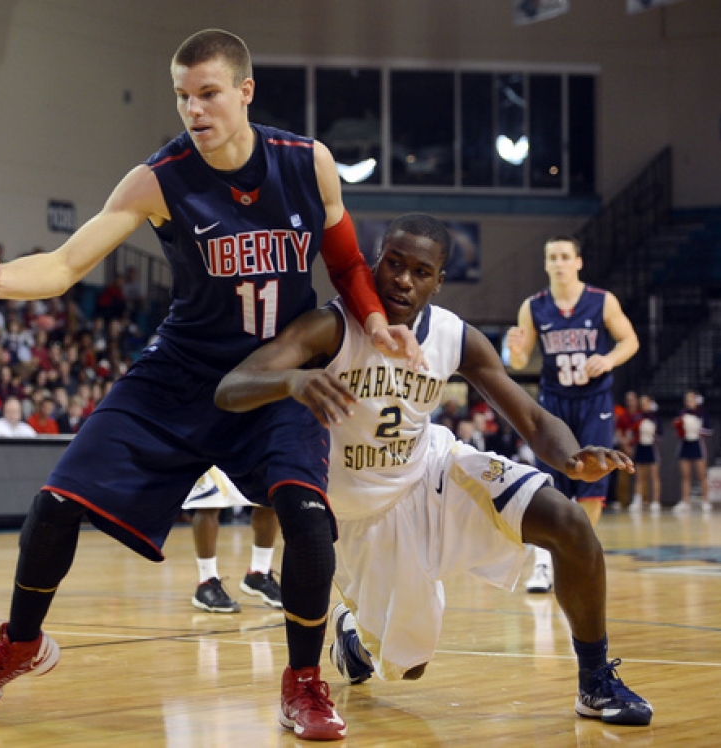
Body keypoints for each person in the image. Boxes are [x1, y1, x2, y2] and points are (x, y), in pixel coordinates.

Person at [0, 28, 418, 742]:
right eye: (182, 97)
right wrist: (3, 281)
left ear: (245, 92)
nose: (194, 110)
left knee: (308, 518)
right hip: (181, 373)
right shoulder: (158, 178)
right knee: (54, 504)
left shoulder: (306, 162)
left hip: (276, 376)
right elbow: (70, 263)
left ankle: (304, 682)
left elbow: (347, 264)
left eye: (208, 94)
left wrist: (374, 322)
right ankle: (20, 644)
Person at [214, 212, 652, 727]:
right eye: (394, 264)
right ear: (374, 265)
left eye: (421, 271)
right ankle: (351, 633)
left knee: (568, 523)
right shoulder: (331, 326)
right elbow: (230, 387)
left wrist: (571, 458)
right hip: (363, 513)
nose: (403, 278)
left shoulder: (454, 336)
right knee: (411, 666)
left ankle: (596, 681)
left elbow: (530, 415)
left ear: (439, 281)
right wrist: (290, 381)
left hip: (435, 469)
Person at [506, 234, 639, 593]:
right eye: (553, 257)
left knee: (594, 481)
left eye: (566, 256)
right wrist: (513, 352)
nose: (560, 263)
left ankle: (578, 549)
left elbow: (630, 340)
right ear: (546, 263)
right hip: (554, 403)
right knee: (550, 482)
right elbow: (518, 361)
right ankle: (544, 562)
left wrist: (608, 359)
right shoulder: (533, 306)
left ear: (578, 262)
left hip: (594, 400)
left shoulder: (601, 301)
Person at [184, 466, 282, 613]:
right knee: (208, 502)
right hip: (211, 446)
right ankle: (206, 580)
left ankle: (259, 572)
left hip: (251, 444)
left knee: (268, 498)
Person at [672, 389, 712, 514]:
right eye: (687, 400)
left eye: (691, 399)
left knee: (701, 475)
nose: (688, 402)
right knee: (685, 475)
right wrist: (679, 427)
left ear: (697, 400)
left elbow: (710, 431)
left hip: (697, 445)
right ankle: (685, 502)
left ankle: (706, 501)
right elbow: (677, 430)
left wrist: (698, 429)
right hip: (685, 445)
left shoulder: (702, 414)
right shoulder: (682, 414)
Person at [630, 394, 662, 515]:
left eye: (646, 403)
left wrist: (653, 435)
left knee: (654, 476)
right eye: (642, 403)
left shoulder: (655, 418)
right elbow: (632, 433)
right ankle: (637, 499)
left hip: (652, 449)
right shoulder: (637, 417)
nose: (644, 405)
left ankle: (655, 501)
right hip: (640, 448)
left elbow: (661, 435)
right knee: (639, 476)